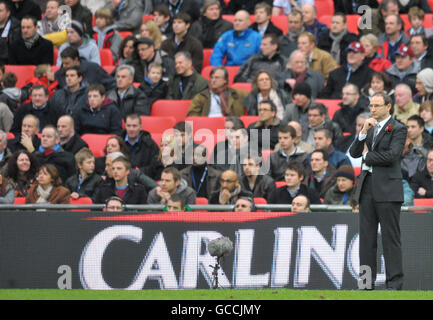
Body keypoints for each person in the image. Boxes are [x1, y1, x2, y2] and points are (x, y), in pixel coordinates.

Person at [349, 91, 407, 290]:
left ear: (388, 106)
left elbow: (392, 155)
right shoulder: (371, 128)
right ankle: (365, 283)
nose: (373, 109)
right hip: (367, 188)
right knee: (366, 239)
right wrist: (363, 132)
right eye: (371, 106)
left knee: (391, 239)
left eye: (377, 106)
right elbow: (354, 152)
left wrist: (368, 157)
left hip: (388, 189)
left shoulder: (398, 128)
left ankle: (395, 285)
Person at [0, 0, 21, 65]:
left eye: (0, 11)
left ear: (8, 13)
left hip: (8, 63)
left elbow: (14, 51)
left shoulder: (17, 27)